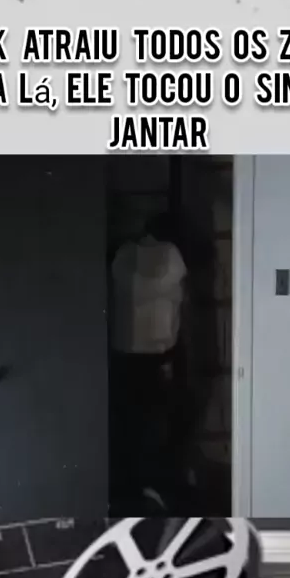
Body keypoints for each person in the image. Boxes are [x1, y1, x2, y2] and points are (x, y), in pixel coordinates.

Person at [109, 212, 189, 513]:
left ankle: (134, 487)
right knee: (155, 426)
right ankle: (150, 486)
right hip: (157, 353)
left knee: (130, 424)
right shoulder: (172, 256)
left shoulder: (125, 255)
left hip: (125, 352)